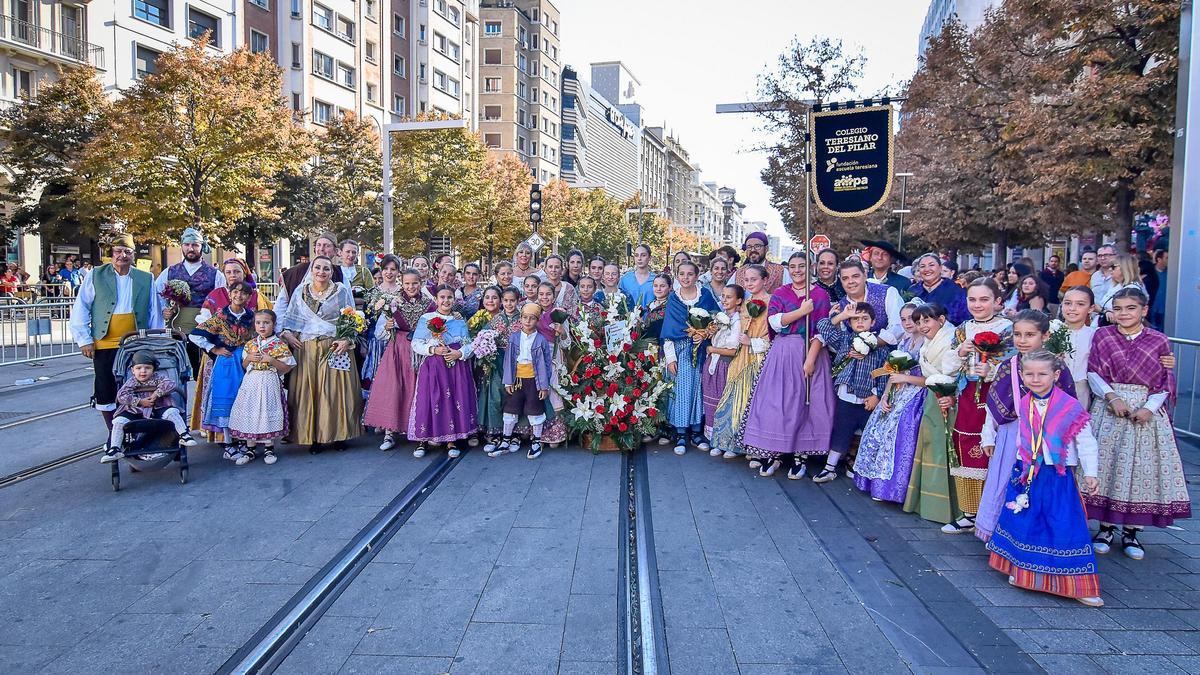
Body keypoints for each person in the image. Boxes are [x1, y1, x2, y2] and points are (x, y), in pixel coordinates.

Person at [984, 349, 1103, 607]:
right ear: (1022, 376)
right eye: (1029, 374)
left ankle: (1078, 584)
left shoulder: (1069, 405)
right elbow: (1022, 436)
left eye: (1042, 374)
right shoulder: (1024, 402)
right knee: (1025, 522)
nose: (1035, 379)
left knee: (1062, 522)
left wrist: (1091, 472)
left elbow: (1085, 441)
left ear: (1056, 375)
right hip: (1027, 470)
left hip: (1056, 473)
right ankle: (1024, 572)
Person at [1086, 288, 1190, 560]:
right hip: (1111, 407)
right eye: (1118, 308)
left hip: (1146, 410)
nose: (1124, 314)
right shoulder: (1103, 336)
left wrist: (1149, 408)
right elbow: (1094, 371)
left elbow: (1165, 380)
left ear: (1144, 310)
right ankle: (1105, 528)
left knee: (1140, 469)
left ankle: (1132, 530)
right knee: (1108, 466)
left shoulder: (1158, 341)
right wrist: (1112, 397)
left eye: (1130, 308)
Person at [974, 311, 1077, 542]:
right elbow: (992, 406)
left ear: (1045, 335)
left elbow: (1068, 405)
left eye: (1030, 334)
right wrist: (988, 437)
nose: (1022, 340)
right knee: (1005, 482)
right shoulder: (1007, 366)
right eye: (1018, 334)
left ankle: (1033, 537)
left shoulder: (1056, 366)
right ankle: (1001, 536)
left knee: (1037, 487)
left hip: (1044, 437)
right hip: (1011, 433)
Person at [741, 253, 832, 479]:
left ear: (809, 267)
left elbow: (823, 330)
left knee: (806, 403)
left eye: (802, 266)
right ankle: (775, 451)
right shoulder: (782, 293)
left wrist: (811, 359)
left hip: (810, 350)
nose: (797, 270)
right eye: (793, 267)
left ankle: (800, 456)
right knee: (777, 402)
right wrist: (801, 312)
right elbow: (775, 322)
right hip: (783, 351)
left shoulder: (820, 294)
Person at [70, 233, 164, 439]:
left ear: (133, 255)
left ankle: (138, 429)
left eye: (127, 252)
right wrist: (85, 339)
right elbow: (81, 307)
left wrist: (155, 341)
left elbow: (154, 311)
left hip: (135, 341)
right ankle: (114, 433)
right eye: (118, 251)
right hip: (104, 341)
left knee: (138, 384)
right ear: (111, 254)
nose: (122, 255)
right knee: (106, 385)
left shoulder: (145, 278)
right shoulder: (95, 275)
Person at [945, 279, 1014, 534]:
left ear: (997, 301)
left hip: (997, 397)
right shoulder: (963, 329)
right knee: (965, 444)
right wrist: (960, 352)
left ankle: (994, 511)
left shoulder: (1008, 329)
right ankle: (970, 511)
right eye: (972, 300)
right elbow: (948, 367)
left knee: (992, 449)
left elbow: (1015, 367)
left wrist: (993, 370)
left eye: (984, 299)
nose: (977, 305)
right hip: (967, 396)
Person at [278, 255, 363, 454]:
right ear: (312, 269)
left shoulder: (341, 291)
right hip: (307, 347)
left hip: (334, 345)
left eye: (326, 268)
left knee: (335, 391)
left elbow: (351, 320)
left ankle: (339, 435)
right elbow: (290, 319)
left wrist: (346, 340)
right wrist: (288, 335)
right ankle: (313, 436)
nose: (321, 272)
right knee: (310, 391)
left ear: (332, 272)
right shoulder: (301, 290)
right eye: (317, 268)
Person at [854, 301, 927, 502]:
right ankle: (872, 481)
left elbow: (930, 378)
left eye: (912, 318)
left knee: (896, 431)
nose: (907, 323)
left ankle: (890, 488)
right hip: (896, 390)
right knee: (876, 427)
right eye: (903, 319)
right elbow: (892, 373)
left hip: (916, 393)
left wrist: (905, 379)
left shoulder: (927, 344)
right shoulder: (903, 341)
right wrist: (885, 396)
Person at [189, 258, 269, 435]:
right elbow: (201, 326)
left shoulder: (255, 295)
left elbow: (266, 322)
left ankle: (248, 433)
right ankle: (221, 436)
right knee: (222, 395)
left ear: (244, 273)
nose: (233, 275)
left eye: (237, 272)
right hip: (221, 355)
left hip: (248, 356)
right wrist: (213, 348)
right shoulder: (216, 296)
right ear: (224, 275)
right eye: (229, 272)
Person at [903, 302, 963, 524]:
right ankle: (930, 505)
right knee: (931, 447)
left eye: (927, 320)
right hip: (933, 395)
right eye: (918, 322)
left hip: (949, 398)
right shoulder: (930, 342)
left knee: (945, 450)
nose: (922, 325)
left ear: (941, 320)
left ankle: (950, 508)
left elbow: (955, 372)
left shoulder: (951, 339)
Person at [814, 301, 887, 483]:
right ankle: (829, 467)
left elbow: (884, 372)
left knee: (866, 433)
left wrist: (876, 394)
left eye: (865, 319)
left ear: (873, 321)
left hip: (866, 398)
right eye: (856, 319)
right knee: (841, 430)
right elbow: (823, 326)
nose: (860, 322)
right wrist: (843, 315)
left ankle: (861, 467)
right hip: (846, 395)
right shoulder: (845, 340)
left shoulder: (880, 348)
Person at [363, 269, 431, 450]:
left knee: (417, 388)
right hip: (397, 348)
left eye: (414, 283)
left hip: (419, 350)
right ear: (402, 283)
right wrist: (387, 325)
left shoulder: (429, 303)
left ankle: (418, 429)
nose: (411, 287)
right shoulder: (392, 302)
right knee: (394, 388)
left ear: (421, 283)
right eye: (407, 283)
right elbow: (380, 333)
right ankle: (390, 431)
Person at [408, 285, 478, 457]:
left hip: (455, 367)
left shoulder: (459, 322)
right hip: (433, 366)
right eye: (442, 297)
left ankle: (450, 440)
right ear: (436, 299)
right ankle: (422, 440)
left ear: (454, 300)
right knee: (430, 399)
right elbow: (416, 343)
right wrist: (432, 350)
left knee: (452, 401)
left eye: (449, 297)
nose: (446, 301)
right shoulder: (427, 319)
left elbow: (469, 343)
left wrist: (459, 353)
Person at [190, 281, 256, 461]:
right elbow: (195, 334)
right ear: (229, 294)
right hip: (226, 362)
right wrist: (213, 348)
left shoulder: (251, 316)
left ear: (249, 297)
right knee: (226, 400)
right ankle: (228, 443)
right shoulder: (220, 316)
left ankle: (243, 439)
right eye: (235, 292)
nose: (239, 296)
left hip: (244, 361)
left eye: (243, 293)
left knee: (243, 399)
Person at [661, 261, 721, 455]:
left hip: (702, 349)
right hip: (680, 351)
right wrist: (670, 358)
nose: (686, 278)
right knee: (682, 390)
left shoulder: (705, 296)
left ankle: (696, 430)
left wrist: (705, 333)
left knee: (699, 390)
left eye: (690, 274)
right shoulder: (674, 299)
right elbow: (669, 331)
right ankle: (680, 432)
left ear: (697, 276)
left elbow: (717, 320)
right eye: (682, 274)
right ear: (677, 277)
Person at [710, 272, 771, 460]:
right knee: (732, 398)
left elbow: (774, 335)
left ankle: (750, 447)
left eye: (754, 279)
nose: (750, 283)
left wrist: (752, 342)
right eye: (746, 280)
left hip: (759, 358)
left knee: (751, 403)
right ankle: (725, 441)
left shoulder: (772, 302)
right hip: (740, 358)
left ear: (765, 280)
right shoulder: (743, 304)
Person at [102, 350, 194, 463]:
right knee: (119, 420)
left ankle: (184, 434)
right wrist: (139, 401)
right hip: (135, 411)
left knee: (172, 412)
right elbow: (122, 395)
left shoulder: (158, 378)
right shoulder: (132, 381)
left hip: (157, 408)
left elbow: (170, 384)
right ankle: (114, 448)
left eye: (147, 368)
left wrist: (156, 394)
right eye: (139, 368)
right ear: (132, 370)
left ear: (154, 370)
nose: (143, 371)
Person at [229, 309, 295, 465]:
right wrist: (250, 358)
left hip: (269, 381)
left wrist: (271, 360)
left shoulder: (279, 345)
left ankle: (269, 447)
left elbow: (287, 367)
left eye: (266, 323)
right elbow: (244, 365)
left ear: (273, 324)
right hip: (251, 382)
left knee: (266, 410)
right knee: (250, 410)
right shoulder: (251, 344)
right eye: (258, 323)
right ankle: (250, 448)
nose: (262, 326)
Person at [158, 227, 227, 373]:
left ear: (202, 247)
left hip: (204, 331)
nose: (191, 248)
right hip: (176, 330)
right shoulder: (170, 271)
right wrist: (163, 309)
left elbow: (222, 300)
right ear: (182, 246)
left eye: (195, 245)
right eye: (187, 244)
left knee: (202, 372)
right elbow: (156, 295)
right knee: (176, 373)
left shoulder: (215, 275)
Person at [496, 302, 554, 459]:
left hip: (533, 380)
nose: (528, 321)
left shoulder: (541, 340)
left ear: (537, 321)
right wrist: (508, 381)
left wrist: (543, 386)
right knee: (510, 408)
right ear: (520, 319)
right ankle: (506, 439)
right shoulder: (514, 338)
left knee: (535, 409)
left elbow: (546, 365)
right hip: (516, 379)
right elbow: (508, 360)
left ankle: (536, 441)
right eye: (525, 317)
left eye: (532, 318)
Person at [480, 287, 522, 455]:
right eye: (506, 300)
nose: (509, 304)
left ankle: (516, 434)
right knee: (496, 395)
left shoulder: (523, 318)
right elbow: (483, 337)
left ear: (518, 301)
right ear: (501, 302)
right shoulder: (496, 318)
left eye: (512, 300)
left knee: (516, 396)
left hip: (518, 362)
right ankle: (496, 433)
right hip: (498, 362)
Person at [360, 256, 404, 403]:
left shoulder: (403, 292)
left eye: (393, 269)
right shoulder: (372, 292)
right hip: (376, 343)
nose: (389, 272)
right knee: (376, 378)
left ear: (398, 271)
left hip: (399, 343)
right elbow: (367, 320)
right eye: (385, 269)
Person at [702, 285, 743, 446]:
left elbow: (733, 350)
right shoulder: (721, 317)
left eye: (729, 297)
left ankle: (723, 439)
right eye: (723, 296)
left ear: (738, 300)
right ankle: (712, 438)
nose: (724, 300)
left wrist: (712, 349)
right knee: (711, 401)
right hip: (713, 361)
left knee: (722, 401)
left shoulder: (737, 321)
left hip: (725, 363)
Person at [832, 259, 904, 343]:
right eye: (845, 278)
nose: (850, 281)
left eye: (855, 276)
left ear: (865, 276)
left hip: (889, 352)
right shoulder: (841, 306)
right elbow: (840, 339)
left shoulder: (888, 292)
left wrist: (871, 345)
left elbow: (898, 326)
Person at [1060, 287, 1098, 409]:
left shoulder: (1094, 335)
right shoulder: (1051, 331)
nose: (1072, 308)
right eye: (1067, 303)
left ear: (1091, 308)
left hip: (1082, 389)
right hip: (1053, 388)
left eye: (1080, 304)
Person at [910, 253, 969, 324]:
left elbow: (964, 318)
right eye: (922, 266)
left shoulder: (956, 291)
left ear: (940, 268)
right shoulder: (912, 290)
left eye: (931, 265)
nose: (927, 269)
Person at [1097, 254, 1145, 325]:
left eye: (1113, 267)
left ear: (1124, 268)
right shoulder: (1116, 286)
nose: (1110, 269)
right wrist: (1105, 311)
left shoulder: (1132, 290)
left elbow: (1127, 315)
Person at [338, 239, 375, 309]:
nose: (351, 255)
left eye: (354, 252)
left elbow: (373, 295)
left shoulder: (364, 272)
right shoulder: (335, 271)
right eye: (347, 252)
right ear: (340, 253)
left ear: (358, 254)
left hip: (360, 314)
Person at [1150, 249, 1168, 330]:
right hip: (1152, 308)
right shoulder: (1150, 272)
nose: (1169, 260)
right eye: (1167, 258)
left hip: (1165, 309)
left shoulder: (1170, 273)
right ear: (1159, 259)